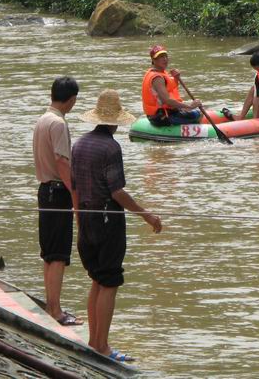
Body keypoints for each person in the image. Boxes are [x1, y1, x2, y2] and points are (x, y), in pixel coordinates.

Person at [72, 89, 162, 362]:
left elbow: (75, 188)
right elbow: (117, 192)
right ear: (115, 122)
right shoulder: (111, 148)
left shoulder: (78, 145)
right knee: (109, 281)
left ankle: (93, 340)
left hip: (85, 217)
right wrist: (147, 215)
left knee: (97, 280)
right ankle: (103, 347)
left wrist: (78, 221)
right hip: (107, 220)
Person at [32, 76, 82, 326]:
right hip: (58, 191)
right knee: (59, 255)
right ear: (71, 100)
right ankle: (56, 311)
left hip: (44, 190)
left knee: (49, 254)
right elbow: (63, 162)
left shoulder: (42, 119)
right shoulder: (59, 124)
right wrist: (75, 195)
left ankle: (52, 305)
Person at [141, 45, 202, 126]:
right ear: (153, 60)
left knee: (194, 112)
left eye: (165, 56)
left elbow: (171, 86)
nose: (165, 59)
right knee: (197, 115)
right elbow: (168, 101)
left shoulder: (160, 72)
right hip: (161, 117)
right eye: (160, 57)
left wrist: (176, 78)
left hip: (165, 112)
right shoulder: (157, 78)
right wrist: (189, 106)